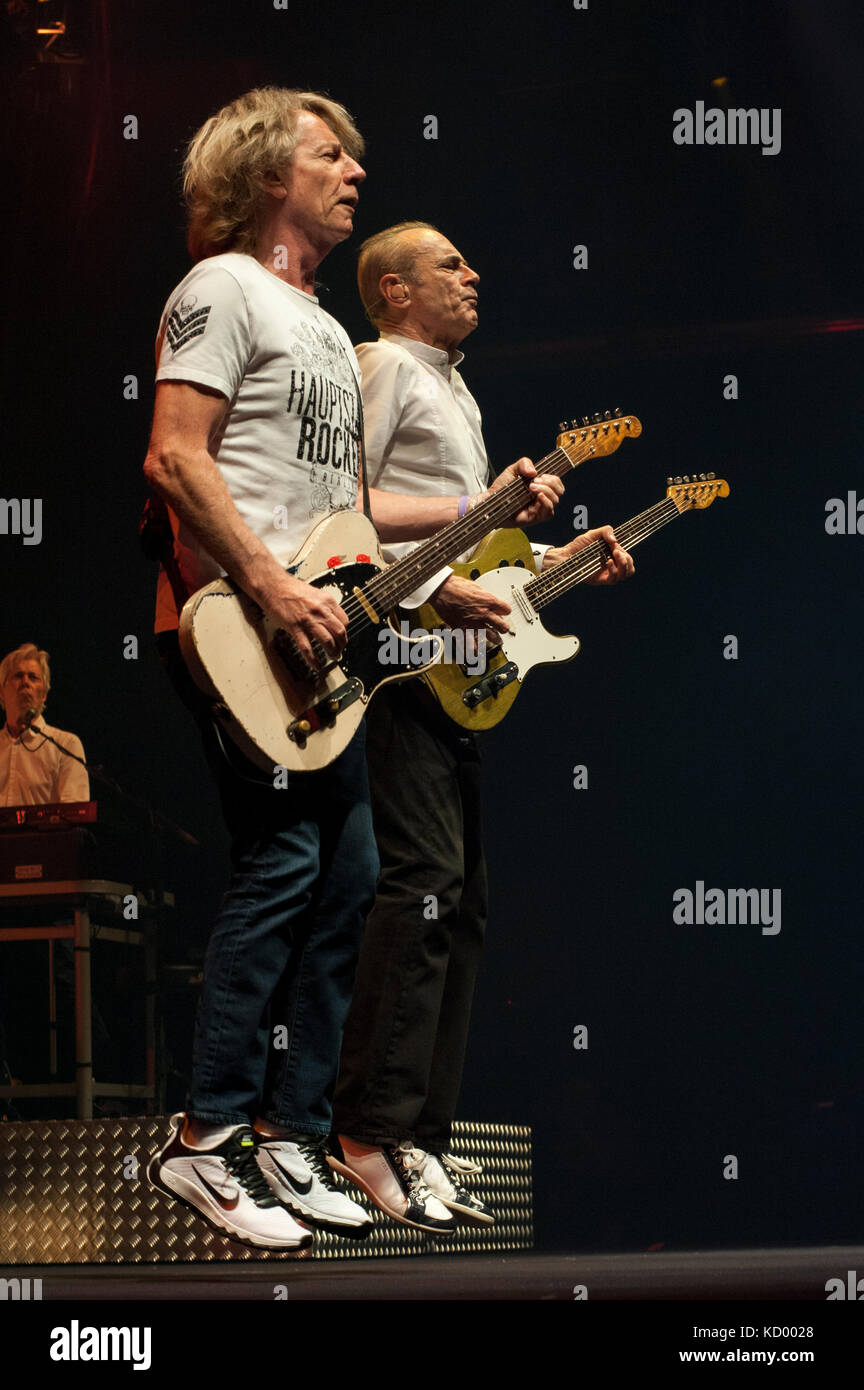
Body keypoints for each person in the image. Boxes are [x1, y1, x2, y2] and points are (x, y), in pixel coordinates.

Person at [142, 93, 563, 1250]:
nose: (355, 172)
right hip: (239, 619)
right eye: (331, 154)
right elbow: (175, 456)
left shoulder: (323, 326)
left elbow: (346, 514)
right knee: (283, 863)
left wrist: (449, 575)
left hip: (320, 623)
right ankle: (205, 1138)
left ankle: (289, 1132)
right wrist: (272, 589)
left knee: (354, 877)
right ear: (266, 171)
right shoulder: (221, 290)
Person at [330, 222, 634, 1232]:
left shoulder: (452, 384)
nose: (473, 274)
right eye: (449, 265)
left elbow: (474, 542)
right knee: (421, 887)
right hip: (395, 654)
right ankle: (366, 1129)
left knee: (462, 903)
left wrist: (563, 550)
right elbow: (345, 505)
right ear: (392, 288)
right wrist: (470, 520)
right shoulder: (376, 365)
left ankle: (420, 1135)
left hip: (453, 663)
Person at [0, 643, 89, 804]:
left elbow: (74, 817)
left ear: (44, 694)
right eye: (18, 676)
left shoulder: (66, 746)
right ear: (2, 691)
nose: (25, 682)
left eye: (33, 677)